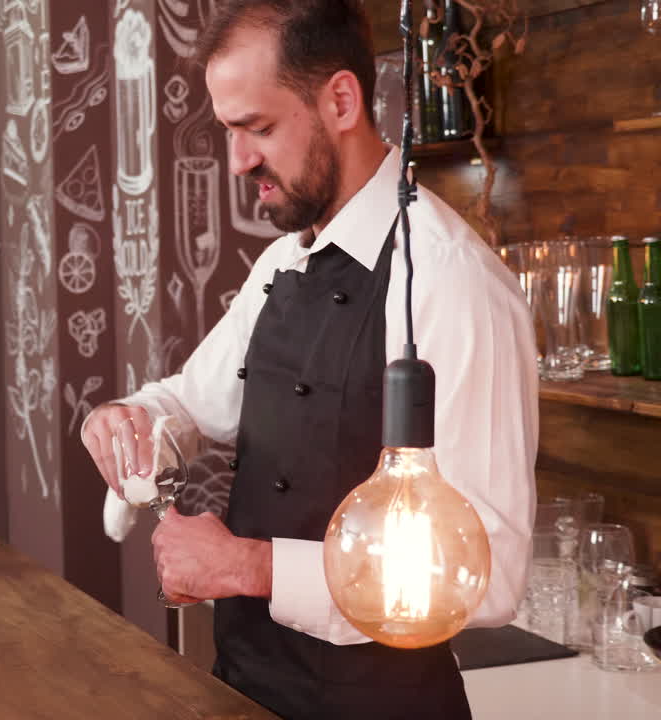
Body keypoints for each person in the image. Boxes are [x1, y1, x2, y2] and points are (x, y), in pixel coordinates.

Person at [81, 1, 537, 718]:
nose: (238, 161)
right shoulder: (279, 265)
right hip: (245, 685)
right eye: (230, 131)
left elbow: (488, 573)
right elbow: (190, 403)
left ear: (342, 101)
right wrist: (128, 419)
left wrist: (248, 567)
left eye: (257, 128)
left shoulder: (451, 281)